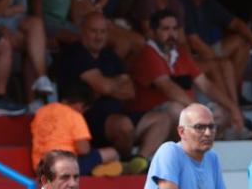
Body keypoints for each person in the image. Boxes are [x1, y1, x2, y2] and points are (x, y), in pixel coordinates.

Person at [57, 12, 173, 173]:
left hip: (117, 117)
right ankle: (123, 161)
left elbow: (130, 91)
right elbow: (104, 86)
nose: (98, 37)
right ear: (82, 30)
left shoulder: (109, 56)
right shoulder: (75, 53)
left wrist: (109, 86)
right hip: (87, 120)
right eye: (93, 31)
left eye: (102, 32)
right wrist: (115, 83)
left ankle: (138, 159)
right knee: (123, 125)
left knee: (162, 118)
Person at [128, 9, 247, 140]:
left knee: (223, 113)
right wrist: (196, 110)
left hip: (185, 111)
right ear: (153, 32)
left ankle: (201, 140)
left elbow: (206, 85)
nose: (171, 34)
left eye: (174, 29)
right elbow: (168, 88)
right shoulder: (147, 54)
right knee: (176, 109)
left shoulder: (180, 54)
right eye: (165, 29)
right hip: (152, 118)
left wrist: (233, 107)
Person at [179, 0, 252, 111]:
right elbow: (194, 42)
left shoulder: (208, 2)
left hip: (205, 51)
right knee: (224, 64)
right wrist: (218, 61)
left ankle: (232, 97)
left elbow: (237, 24)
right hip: (188, 56)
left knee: (242, 43)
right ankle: (232, 105)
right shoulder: (182, 0)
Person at [30, 81, 123, 177]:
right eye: (85, 110)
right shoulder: (74, 115)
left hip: (40, 168)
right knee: (112, 153)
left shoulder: (41, 112)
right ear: (81, 105)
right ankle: (96, 169)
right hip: (63, 167)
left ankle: (94, 169)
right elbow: (84, 149)